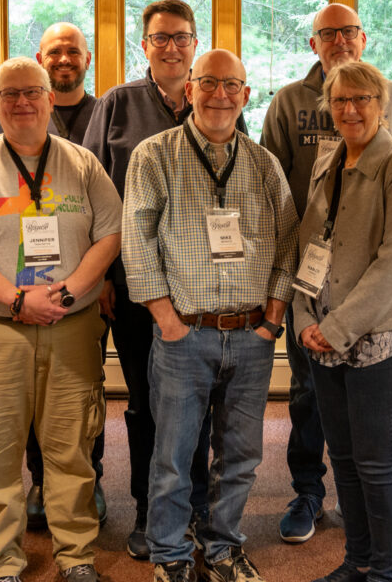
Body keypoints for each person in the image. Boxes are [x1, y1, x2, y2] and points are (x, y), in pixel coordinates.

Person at [0, 57, 122, 582]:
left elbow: (111, 233)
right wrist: (16, 299)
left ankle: (76, 557)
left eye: (32, 91)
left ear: (49, 98)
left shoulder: (82, 164)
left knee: (71, 447)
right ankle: (2, 561)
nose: (22, 102)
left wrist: (71, 290)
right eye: (9, 94)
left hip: (71, 327)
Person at [122, 49, 298, 582]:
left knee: (240, 456)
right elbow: (136, 237)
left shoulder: (265, 163)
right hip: (185, 335)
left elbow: (291, 240)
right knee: (173, 457)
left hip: (251, 337)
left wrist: (273, 315)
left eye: (232, 86)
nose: (220, 95)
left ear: (246, 96)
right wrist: (165, 317)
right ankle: (170, 553)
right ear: (189, 90)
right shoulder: (154, 155)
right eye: (209, 84)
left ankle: (224, 548)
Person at [82, 0, 243, 559]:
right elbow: (91, 195)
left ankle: (192, 507)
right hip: (132, 285)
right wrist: (99, 275)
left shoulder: (220, 98)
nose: (171, 46)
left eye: (182, 37)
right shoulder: (117, 103)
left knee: (196, 400)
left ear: (195, 45)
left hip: (201, 288)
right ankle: (152, 510)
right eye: (160, 37)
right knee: (148, 402)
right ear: (143, 45)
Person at [259, 2, 392, 544]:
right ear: (314, 44)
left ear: (364, 36)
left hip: (375, 305)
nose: (339, 40)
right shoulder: (289, 102)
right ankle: (308, 493)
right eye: (327, 34)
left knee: (372, 446)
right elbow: (278, 196)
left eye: (348, 31)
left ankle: (377, 553)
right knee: (309, 399)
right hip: (314, 290)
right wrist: (298, 300)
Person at [292, 61, 392, 582]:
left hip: (383, 340)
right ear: (329, 106)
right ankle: (357, 560)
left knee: (375, 464)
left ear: (382, 104)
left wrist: (337, 328)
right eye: (341, 100)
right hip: (322, 336)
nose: (350, 109)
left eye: (362, 99)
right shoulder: (328, 160)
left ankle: (385, 571)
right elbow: (311, 245)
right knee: (344, 460)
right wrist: (305, 316)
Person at [0, 20, 106, 531]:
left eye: (73, 52)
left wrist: (96, 283)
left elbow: (111, 216)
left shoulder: (107, 111)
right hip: (26, 284)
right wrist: (23, 293)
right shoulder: (10, 119)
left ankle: (89, 480)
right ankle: (40, 481)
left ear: (88, 60)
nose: (64, 59)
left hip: (92, 281)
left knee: (83, 389)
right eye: (54, 52)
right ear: (40, 58)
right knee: (36, 393)